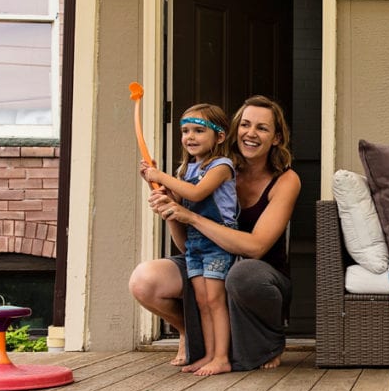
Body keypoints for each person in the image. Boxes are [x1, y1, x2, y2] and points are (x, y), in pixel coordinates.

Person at [129, 95, 302, 371]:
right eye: (245, 125)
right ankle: (192, 334)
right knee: (144, 280)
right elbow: (187, 246)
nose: (251, 133)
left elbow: (256, 247)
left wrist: (192, 216)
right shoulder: (206, 168)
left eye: (262, 128)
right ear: (234, 131)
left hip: (256, 273)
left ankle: (265, 344)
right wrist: (171, 209)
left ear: (277, 138)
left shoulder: (285, 179)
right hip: (209, 255)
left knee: (241, 275)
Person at [140, 103, 236, 375]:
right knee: (201, 300)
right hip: (195, 244)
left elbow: (196, 195)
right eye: (185, 131)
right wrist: (156, 185)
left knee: (216, 300)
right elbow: (177, 201)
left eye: (198, 131)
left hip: (216, 242)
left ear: (219, 136)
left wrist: (162, 176)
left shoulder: (221, 166)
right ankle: (207, 354)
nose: (190, 137)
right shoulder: (186, 170)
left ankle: (222, 357)